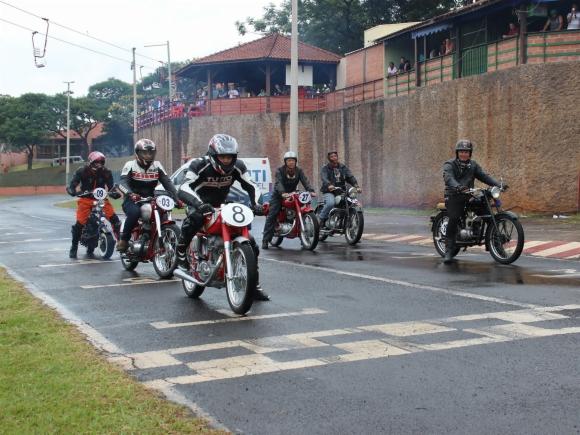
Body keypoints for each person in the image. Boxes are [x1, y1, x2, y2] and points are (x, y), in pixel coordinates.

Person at [175, 134, 270, 301]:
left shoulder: (238, 167)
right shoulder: (199, 165)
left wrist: (256, 204)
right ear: (213, 155)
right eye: (223, 156)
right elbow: (183, 187)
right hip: (199, 204)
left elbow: (251, 186)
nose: (226, 160)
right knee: (195, 219)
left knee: (251, 242)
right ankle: (181, 252)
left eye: (230, 157)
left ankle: (253, 285)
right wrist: (199, 204)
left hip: (222, 204)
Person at [442, 140, 508, 264]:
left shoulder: (473, 165)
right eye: (461, 151)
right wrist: (458, 186)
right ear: (457, 153)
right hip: (453, 195)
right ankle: (449, 249)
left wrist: (498, 185)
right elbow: (448, 178)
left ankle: (497, 247)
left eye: (466, 152)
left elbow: (484, 176)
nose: (464, 154)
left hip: (468, 195)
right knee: (455, 217)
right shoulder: (449, 164)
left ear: (470, 153)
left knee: (488, 215)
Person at [117, 139, 179, 252]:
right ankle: (124, 240)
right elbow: (122, 183)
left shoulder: (157, 165)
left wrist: (177, 198)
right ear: (138, 153)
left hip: (150, 198)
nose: (148, 155)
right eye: (145, 152)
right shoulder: (130, 165)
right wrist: (130, 194)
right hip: (132, 199)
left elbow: (167, 183)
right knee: (135, 213)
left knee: (163, 213)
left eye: (151, 153)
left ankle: (158, 237)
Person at [66, 151, 121, 259]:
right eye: (96, 162)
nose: (99, 164)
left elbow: (111, 187)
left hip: (102, 199)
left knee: (115, 219)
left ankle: (121, 243)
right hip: (86, 199)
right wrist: (72, 190)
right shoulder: (82, 171)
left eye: (101, 162)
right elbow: (73, 184)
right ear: (91, 162)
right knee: (80, 223)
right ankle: (74, 247)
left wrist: (114, 193)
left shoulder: (106, 172)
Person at [261, 151, 316, 249]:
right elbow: (278, 183)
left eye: (293, 160)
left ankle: (302, 237)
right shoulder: (280, 170)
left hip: (293, 194)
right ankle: (265, 240)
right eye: (289, 160)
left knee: (300, 210)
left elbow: (305, 181)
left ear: (295, 161)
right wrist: (283, 193)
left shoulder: (299, 171)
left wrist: (310, 190)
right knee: (272, 214)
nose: (291, 162)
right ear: (285, 162)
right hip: (279, 195)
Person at [319, 151, 362, 230]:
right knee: (330, 203)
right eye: (332, 156)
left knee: (350, 202)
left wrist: (356, 186)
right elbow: (324, 177)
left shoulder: (342, 167)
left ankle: (343, 220)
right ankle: (321, 220)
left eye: (335, 156)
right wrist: (329, 185)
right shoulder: (325, 168)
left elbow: (350, 177)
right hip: (329, 191)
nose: (334, 158)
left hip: (341, 190)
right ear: (329, 158)